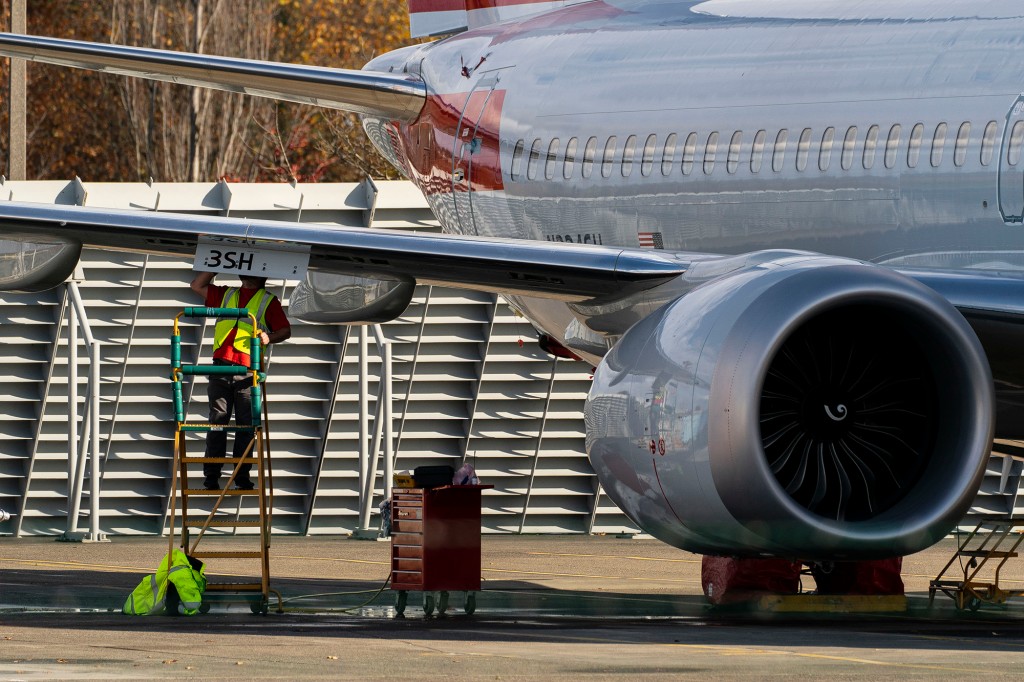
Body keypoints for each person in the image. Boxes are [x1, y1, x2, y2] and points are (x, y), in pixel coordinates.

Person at [190, 272, 291, 490]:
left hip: (248, 370)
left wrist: (269, 337)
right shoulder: (227, 294)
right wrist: (216, 264)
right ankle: (212, 476)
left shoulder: (267, 301)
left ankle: (241, 476)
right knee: (218, 421)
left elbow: (285, 330)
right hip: (221, 366)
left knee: (246, 426)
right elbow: (197, 285)